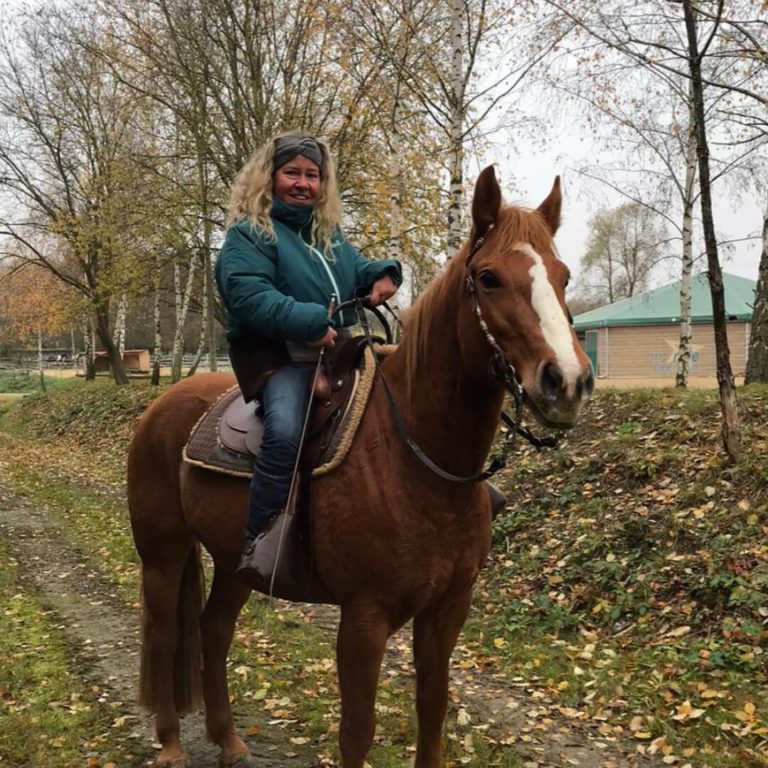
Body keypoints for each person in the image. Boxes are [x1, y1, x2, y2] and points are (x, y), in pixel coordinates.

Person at [215, 132, 402, 577]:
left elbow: (356, 268)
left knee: (406, 402)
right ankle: (259, 542)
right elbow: (248, 296)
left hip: (335, 353)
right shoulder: (250, 235)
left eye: (312, 175)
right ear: (270, 177)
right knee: (284, 431)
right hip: (280, 359)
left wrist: (382, 274)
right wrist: (311, 320)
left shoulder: (327, 235)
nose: (303, 184)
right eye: (292, 173)